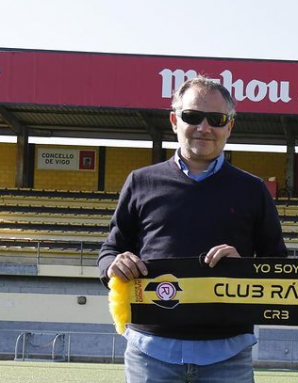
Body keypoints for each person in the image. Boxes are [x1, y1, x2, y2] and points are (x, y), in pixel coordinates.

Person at [98, 77, 287, 383]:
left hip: (229, 353)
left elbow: (278, 265)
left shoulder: (253, 190)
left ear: (230, 126)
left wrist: (244, 268)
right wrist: (114, 265)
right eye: (192, 116)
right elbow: (110, 252)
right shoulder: (140, 182)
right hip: (150, 351)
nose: (204, 127)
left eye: (216, 119)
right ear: (174, 121)